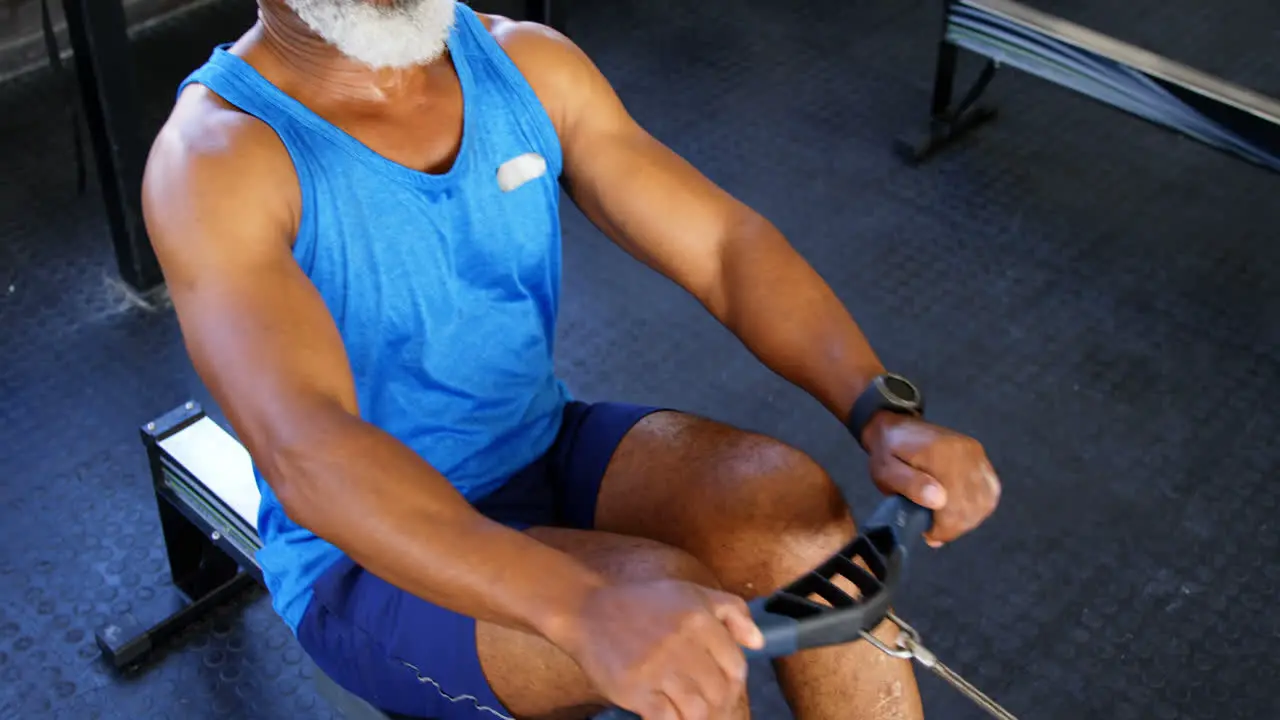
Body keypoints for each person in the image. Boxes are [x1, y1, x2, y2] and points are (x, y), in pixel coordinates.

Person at [142, 1, 1003, 719]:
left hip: (538, 443)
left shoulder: (525, 64)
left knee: (793, 514)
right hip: (360, 560)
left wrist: (879, 409)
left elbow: (723, 248)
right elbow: (310, 453)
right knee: (675, 623)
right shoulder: (218, 160)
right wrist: (580, 605)